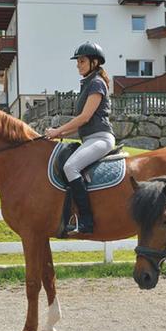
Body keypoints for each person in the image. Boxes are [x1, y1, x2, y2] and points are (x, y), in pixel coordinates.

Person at [44, 42, 115, 235]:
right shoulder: (88, 83)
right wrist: (57, 134)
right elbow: (82, 125)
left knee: (70, 167)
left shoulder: (96, 83)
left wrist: (58, 131)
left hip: (101, 138)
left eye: (82, 61)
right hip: (91, 138)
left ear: (94, 62)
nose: (78, 65)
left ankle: (86, 220)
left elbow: (84, 117)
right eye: (78, 61)